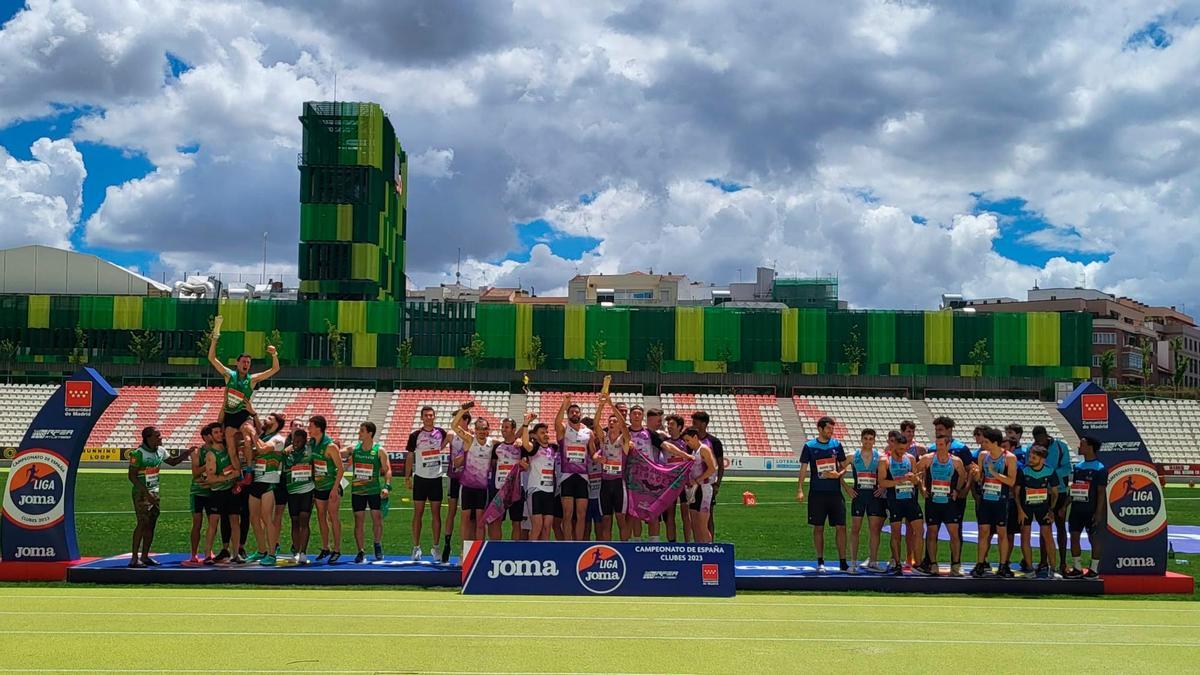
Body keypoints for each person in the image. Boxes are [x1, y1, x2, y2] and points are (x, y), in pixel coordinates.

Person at [206, 321, 280, 479]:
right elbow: (212, 358)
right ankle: (239, 474)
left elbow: (275, 369)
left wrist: (274, 354)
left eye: (249, 362)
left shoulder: (252, 380)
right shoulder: (229, 375)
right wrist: (215, 338)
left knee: (249, 436)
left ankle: (248, 469)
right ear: (237, 363)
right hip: (229, 415)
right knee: (231, 447)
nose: (246, 364)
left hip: (243, 413)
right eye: (244, 362)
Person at [128, 426, 193, 568]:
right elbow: (132, 476)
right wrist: (146, 493)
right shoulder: (138, 454)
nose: (161, 438)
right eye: (157, 436)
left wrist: (187, 453)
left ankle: (145, 556)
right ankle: (134, 558)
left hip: (155, 492)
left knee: (151, 524)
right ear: (148, 438)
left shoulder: (160, 451)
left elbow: (173, 462)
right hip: (142, 493)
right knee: (142, 523)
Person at [796, 416, 848, 573]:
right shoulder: (810, 446)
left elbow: (844, 466)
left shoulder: (837, 445)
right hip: (817, 494)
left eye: (833, 429)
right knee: (818, 527)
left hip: (835, 494)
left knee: (841, 527)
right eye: (828, 429)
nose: (831, 431)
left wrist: (838, 474)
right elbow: (804, 468)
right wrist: (800, 489)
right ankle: (820, 561)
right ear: (820, 429)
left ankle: (843, 562)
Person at [916, 434, 968, 576]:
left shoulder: (956, 461)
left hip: (949, 503)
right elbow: (916, 472)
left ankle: (956, 565)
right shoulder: (928, 459)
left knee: (954, 534)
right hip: (932, 502)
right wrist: (922, 489)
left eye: (941, 445)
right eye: (937, 444)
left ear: (948, 445)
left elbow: (963, 475)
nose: (939, 447)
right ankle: (933, 564)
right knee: (932, 533)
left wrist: (957, 490)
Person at [970, 427, 1018, 578]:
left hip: (1001, 501)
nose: (983, 444)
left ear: (995, 442)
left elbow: (1011, 481)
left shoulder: (1009, 458)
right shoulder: (983, 456)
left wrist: (995, 473)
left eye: (986, 442)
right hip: (986, 499)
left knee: (1002, 533)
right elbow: (981, 479)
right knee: (983, 532)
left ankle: (1003, 565)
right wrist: (977, 475)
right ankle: (980, 563)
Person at [405, 406, 449, 562]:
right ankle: (416, 547)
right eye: (426, 415)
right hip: (420, 479)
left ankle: (436, 547)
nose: (429, 417)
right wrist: (407, 476)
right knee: (418, 513)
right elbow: (410, 457)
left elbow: (448, 441)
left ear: (434, 417)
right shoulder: (415, 435)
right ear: (421, 418)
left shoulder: (441, 433)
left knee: (436, 514)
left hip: (436, 478)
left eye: (431, 415)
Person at [879, 430, 923, 576]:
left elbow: (916, 480)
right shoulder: (885, 460)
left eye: (904, 449)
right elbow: (882, 482)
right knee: (896, 534)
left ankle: (918, 563)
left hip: (910, 500)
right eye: (899, 449)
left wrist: (914, 479)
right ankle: (897, 563)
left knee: (919, 530)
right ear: (894, 445)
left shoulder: (910, 458)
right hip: (895, 501)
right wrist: (900, 480)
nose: (901, 452)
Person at [1014, 444, 1061, 579]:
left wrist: (1051, 510)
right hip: (1026, 508)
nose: (1031, 459)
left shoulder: (1050, 471)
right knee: (1025, 536)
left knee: (1048, 537)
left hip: (1043, 508)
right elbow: (1016, 493)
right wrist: (1020, 510)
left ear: (1042, 460)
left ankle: (1053, 570)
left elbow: (1055, 493)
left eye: (1034, 457)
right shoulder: (1023, 470)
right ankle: (1029, 569)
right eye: (1030, 456)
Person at [246, 413, 287, 566]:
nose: (265, 420)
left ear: (276, 423)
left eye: (270, 418)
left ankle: (271, 553)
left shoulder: (279, 439)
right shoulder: (263, 436)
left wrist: (252, 433)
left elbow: (262, 450)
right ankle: (261, 550)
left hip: (270, 481)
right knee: (254, 518)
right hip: (257, 479)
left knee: (266, 518)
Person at [451, 403, 493, 545]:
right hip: (467, 487)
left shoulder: (492, 443)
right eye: (479, 429)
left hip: (482, 489)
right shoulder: (469, 439)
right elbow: (454, 426)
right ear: (474, 430)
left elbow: (509, 441)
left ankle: (479, 550)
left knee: (481, 521)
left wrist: (517, 440)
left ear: (489, 430)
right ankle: (464, 553)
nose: (482, 431)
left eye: (485, 428)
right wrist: (463, 410)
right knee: (465, 519)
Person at [1066, 436, 1107, 579]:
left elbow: (1101, 493)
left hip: (1091, 510)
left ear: (1090, 447)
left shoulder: (1100, 469)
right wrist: (1066, 504)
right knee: (1074, 536)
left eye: (1082, 445)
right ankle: (1077, 568)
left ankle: (1094, 569)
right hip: (1077, 509)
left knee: (1093, 539)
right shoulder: (1078, 467)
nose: (1079, 447)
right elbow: (1075, 488)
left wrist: (1098, 512)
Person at [845, 429, 886, 573]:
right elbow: (838, 471)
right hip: (858, 496)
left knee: (874, 530)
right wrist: (847, 488)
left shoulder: (880, 457)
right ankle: (853, 563)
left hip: (874, 496)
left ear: (874, 440)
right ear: (861, 439)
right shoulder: (852, 456)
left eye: (871, 439)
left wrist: (882, 488)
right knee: (855, 529)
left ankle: (873, 561)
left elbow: (887, 475)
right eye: (866, 438)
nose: (868, 441)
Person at [1033, 425, 1072, 576]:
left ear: (1046, 435)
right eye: (1037, 441)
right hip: (1041, 492)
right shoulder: (1033, 447)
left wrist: (1051, 475)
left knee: (1061, 526)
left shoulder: (1061, 447)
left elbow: (1067, 468)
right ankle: (1043, 561)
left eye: (1041, 440)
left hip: (1060, 491)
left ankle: (1063, 562)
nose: (1039, 443)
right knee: (1044, 527)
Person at [350, 421, 391, 563]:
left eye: (362, 430)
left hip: (374, 491)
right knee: (358, 521)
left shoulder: (379, 450)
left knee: (377, 519)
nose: (359, 433)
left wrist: (387, 486)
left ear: (370, 433)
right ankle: (360, 551)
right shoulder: (354, 449)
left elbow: (387, 470)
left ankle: (377, 544)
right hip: (357, 491)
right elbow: (338, 452)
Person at [555, 395, 595, 541]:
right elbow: (557, 423)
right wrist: (564, 404)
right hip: (567, 476)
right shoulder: (564, 429)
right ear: (568, 414)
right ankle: (567, 544)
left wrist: (600, 457)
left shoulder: (588, 432)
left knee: (581, 514)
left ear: (581, 414)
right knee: (567, 514)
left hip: (583, 477)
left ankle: (577, 543)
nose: (574, 414)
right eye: (571, 412)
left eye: (577, 412)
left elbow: (593, 453)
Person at [933, 416, 975, 554]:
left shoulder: (961, 448)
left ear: (949, 430)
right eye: (936, 429)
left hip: (955, 496)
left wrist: (965, 489)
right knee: (933, 529)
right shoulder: (932, 448)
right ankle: (929, 561)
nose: (937, 432)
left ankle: (955, 563)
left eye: (940, 429)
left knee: (956, 530)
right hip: (935, 496)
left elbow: (970, 471)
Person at [202, 427, 242, 565]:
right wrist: (229, 477)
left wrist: (235, 480)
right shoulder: (211, 455)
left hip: (231, 491)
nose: (219, 435)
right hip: (217, 492)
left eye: (220, 432)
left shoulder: (229, 450)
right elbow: (211, 479)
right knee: (213, 523)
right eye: (215, 432)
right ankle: (207, 555)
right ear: (211, 436)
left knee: (235, 522)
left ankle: (236, 554)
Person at [594, 396, 631, 541]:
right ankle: (607, 551)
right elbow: (596, 423)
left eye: (614, 421)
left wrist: (611, 405)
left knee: (621, 520)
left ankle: (625, 550)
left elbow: (623, 425)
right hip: (605, 483)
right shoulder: (604, 439)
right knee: (606, 521)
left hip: (618, 483)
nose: (611, 422)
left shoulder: (624, 439)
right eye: (609, 421)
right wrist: (602, 406)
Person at [308, 415, 343, 564]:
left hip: (331, 486)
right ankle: (325, 547)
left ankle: (337, 549)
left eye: (310, 426)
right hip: (318, 486)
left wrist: (335, 489)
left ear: (318, 427)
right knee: (321, 516)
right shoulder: (312, 443)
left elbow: (340, 469)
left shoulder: (330, 446)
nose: (308, 428)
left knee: (333, 517)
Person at [489, 416, 530, 541]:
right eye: (502, 427)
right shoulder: (497, 448)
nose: (503, 430)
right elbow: (492, 465)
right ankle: (497, 549)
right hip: (499, 489)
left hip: (516, 489)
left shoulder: (521, 447)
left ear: (513, 430)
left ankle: (514, 552)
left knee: (516, 522)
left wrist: (519, 461)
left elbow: (526, 466)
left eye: (506, 427)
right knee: (496, 521)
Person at [184, 423, 219, 566]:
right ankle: (193, 553)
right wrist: (210, 462)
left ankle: (208, 551)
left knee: (213, 523)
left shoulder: (220, 449)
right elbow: (195, 473)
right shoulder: (198, 451)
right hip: (198, 491)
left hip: (213, 490)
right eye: (211, 434)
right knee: (197, 523)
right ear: (205, 437)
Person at [1001, 424, 1031, 573]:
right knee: (1004, 533)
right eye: (1007, 433)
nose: (1009, 436)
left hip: (1018, 497)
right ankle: (1004, 561)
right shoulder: (999, 456)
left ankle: (1025, 561)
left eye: (1012, 434)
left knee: (1018, 532)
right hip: (1002, 498)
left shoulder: (1025, 452)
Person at [282, 428, 314, 565]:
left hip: (307, 490)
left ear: (305, 441)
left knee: (304, 520)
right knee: (294, 521)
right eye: (294, 441)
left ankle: (303, 552)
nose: (296, 444)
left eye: (299, 441)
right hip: (292, 492)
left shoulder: (310, 452)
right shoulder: (287, 453)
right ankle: (295, 550)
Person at [691, 411, 725, 541]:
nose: (693, 425)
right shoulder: (692, 441)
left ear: (704, 424)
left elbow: (720, 465)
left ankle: (711, 545)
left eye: (695, 423)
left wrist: (717, 484)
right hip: (693, 484)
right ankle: (698, 544)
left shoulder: (714, 442)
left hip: (707, 484)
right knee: (694, 516)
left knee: (708, 516)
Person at [682, 428, 718, 544]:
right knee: (695, 523)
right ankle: (698, 549)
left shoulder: (704, 449)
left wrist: (697, 480)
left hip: (704, 488)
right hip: (695, 489)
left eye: (688, 440)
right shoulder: (694, 452)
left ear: (695, 437)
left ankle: (708, 549)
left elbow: (712, 468)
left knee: (702, 524)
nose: (687, 443)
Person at [523, 421, 558, 541]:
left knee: (547, 527)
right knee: (537, 526)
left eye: (547, 432)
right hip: (536, 490)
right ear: (536, 436)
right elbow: (525, 444)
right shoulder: (535, 448)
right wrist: (526, 424)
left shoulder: (553, 448)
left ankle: (545, 554)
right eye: (542, 433)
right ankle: (531, 555)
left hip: (549, 491)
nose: (546, 434)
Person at [661, 413, 691, 543]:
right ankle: (672, 543)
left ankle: (687, 543)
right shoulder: (664, 443)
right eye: (668, 424)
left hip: (684, 483)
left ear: (680, 427)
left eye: (672, 424)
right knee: (670, 514)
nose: (669, 427)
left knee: (686, 514)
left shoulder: (686, 443)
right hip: (669, 483)